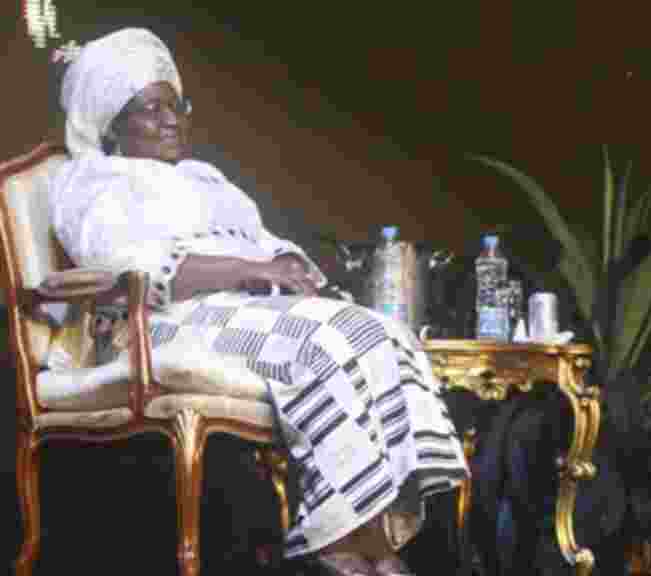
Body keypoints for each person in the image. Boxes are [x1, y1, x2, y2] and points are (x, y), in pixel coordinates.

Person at [50, 28, 468, 576]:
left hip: (235, 312)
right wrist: (249, 269)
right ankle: (336, 538)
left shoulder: (204, 180)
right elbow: (136, 271)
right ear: (111, 123)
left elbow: (261, 243)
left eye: (177, 107)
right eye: (151, 110)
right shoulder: (95, 184)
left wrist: (290, 267)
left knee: (378, 330)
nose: (171, 120)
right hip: (157, 323)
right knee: (326, 342)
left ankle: (371, 535)